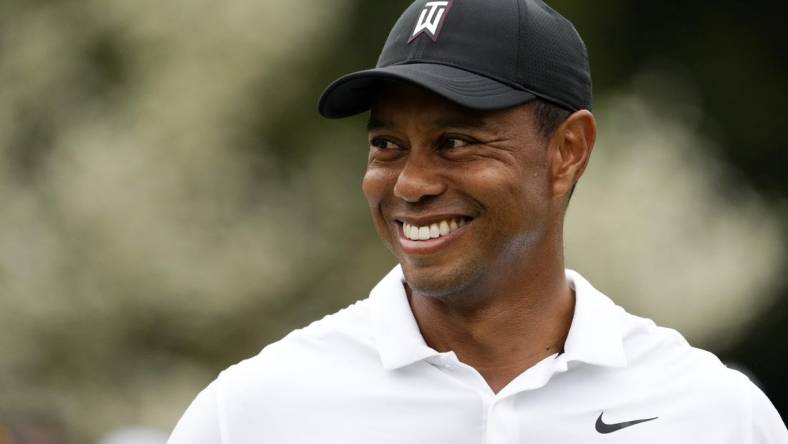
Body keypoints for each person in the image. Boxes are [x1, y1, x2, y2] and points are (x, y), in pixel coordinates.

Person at [168, 0, 787, 442]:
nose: (410, 184)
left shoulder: (713, 416)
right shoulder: (253, 412)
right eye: (387, 144)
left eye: (456, 142)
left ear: (568, 151)